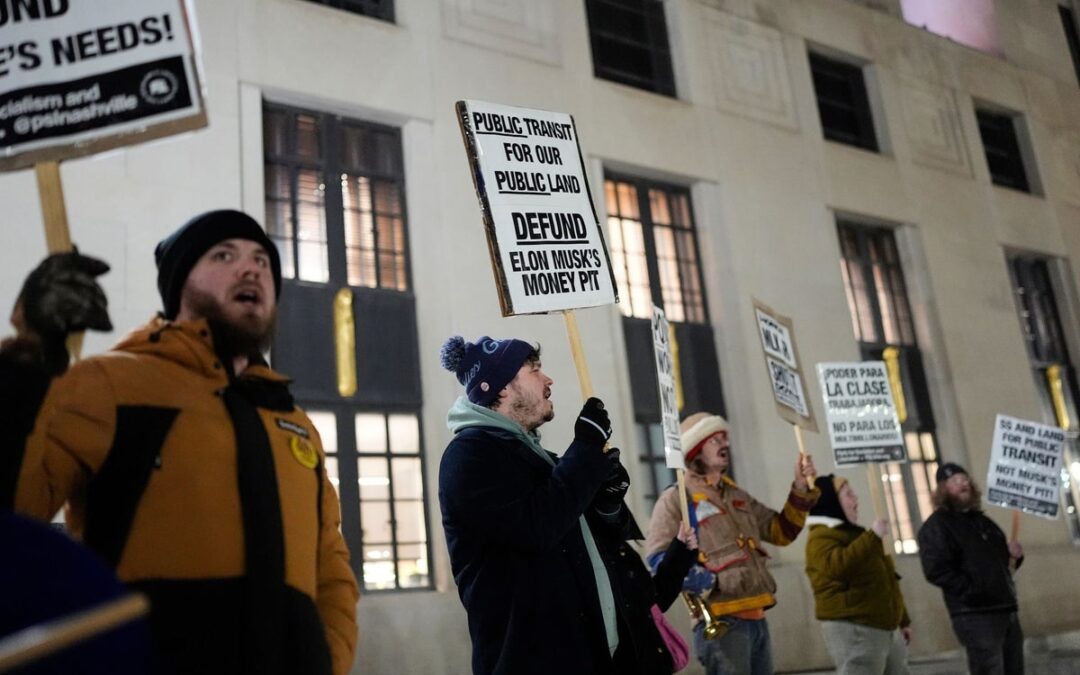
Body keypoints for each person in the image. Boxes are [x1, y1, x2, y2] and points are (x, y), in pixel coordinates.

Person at [2, 210, 359, 675]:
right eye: (224, 255)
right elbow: (14, 509)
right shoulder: (110, 383)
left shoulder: (292, 421)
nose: (251, 269)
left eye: (262, 261)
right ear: (178, 285)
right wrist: (27, 363)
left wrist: (327, 659)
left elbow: (329, 565)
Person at [438, 335, 697, 675]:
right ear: (501, 388)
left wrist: (607, 503)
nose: (548, 380)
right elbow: (535, 529)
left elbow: (597, 548)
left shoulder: (544, 460)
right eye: (534, 370)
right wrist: (585, 449)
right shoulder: (468, 458)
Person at [645, 412, 819, 675]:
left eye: (725, 438)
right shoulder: (676, 498)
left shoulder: (736, 494)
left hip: (758, 617)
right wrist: (708, 582)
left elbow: (781, 531)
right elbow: (657, 559)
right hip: (721, 620)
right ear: (695, 450)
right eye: (714, 440)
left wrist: (800, 487)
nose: (724, 444)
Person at [917, 462, 1024, 675]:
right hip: (975, 615)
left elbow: (1003, 565)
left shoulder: (984, 522)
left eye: (965, 479)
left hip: (1005, 610)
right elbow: (936, 570)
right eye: (955, 481)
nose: (963, 484)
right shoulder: (936, 526)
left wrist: (1014, 556)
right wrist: (972, 591)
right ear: (943, 489)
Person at [804, 474, 911, 674]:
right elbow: (836, 567)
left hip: (884, 624)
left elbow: (887, 577)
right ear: (832, 502)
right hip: (855, 626)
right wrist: (872, 537)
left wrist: (902, 619)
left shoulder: (856, 534)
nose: (856, 499)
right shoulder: (820, 537)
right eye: (848, 495)